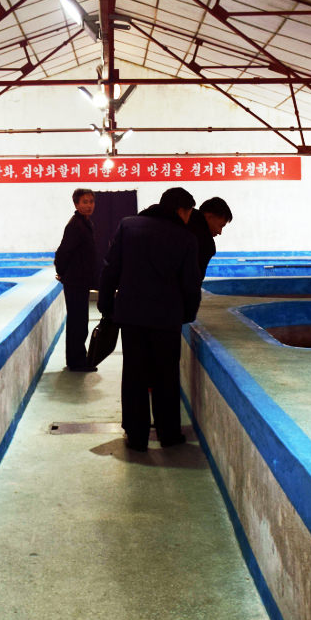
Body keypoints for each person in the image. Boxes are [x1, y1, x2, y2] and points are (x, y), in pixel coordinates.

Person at [98, 186, 201, 451]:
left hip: (131, 316)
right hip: (166, 318)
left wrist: (106, 305)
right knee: (166, 376)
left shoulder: (128, 226)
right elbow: (190, 284)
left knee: (134, 374)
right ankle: (168, 434)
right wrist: (188, 314)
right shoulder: (186, 238)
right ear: (181, 210)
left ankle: (136, 435)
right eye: (189, 212)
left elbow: (111, 268)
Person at [54, 187, 98, 371]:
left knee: (79, 320)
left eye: (91, 202)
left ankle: (77, 358)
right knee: (77, 321)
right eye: (84, 202)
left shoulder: (85, 223)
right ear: (76, 204)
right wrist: (63, 272)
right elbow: (63, 252)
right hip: (75, 280)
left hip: (80, 279)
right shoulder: (75, 225)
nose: (89, 206)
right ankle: (77, 361)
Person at [187, 196, 233, 279]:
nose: (220, 232)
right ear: (209, 217)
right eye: (220, 226)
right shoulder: (206, 244)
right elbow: (193, 280)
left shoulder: (178, 223)